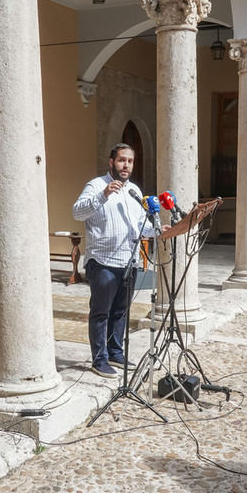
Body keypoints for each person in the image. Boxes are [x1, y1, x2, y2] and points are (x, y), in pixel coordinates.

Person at [72, 144, 160, 378]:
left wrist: (160, 230)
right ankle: (98, 360)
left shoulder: (135, 192)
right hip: (102, 262)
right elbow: (77, 212)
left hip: (128, 262)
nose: (126, 165)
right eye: (122, 160)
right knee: (101, 312)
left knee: (120, 312)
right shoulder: (96, 185)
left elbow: (142, 226)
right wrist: (104, 195)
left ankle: (115, 353)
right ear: (111, 162)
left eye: (130, 161)